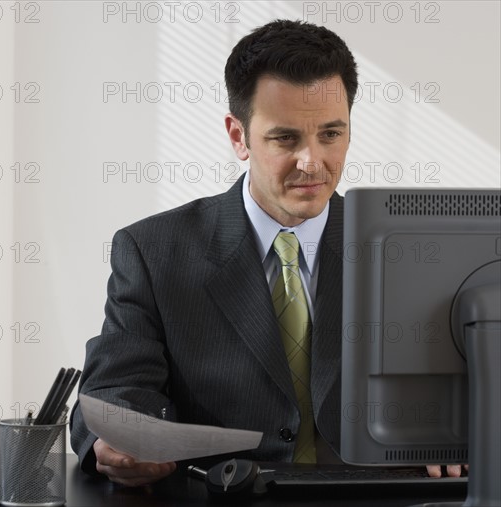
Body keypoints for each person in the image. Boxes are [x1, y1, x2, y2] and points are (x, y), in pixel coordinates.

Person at [70, 19, 463, 487]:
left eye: (331, 135)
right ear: (239, 136)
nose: (312, 162)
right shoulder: (154, 251)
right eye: (286, 138)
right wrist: (121, 438)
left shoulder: (407, 251)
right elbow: (114, 390)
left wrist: (469, 431)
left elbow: (465, 382)